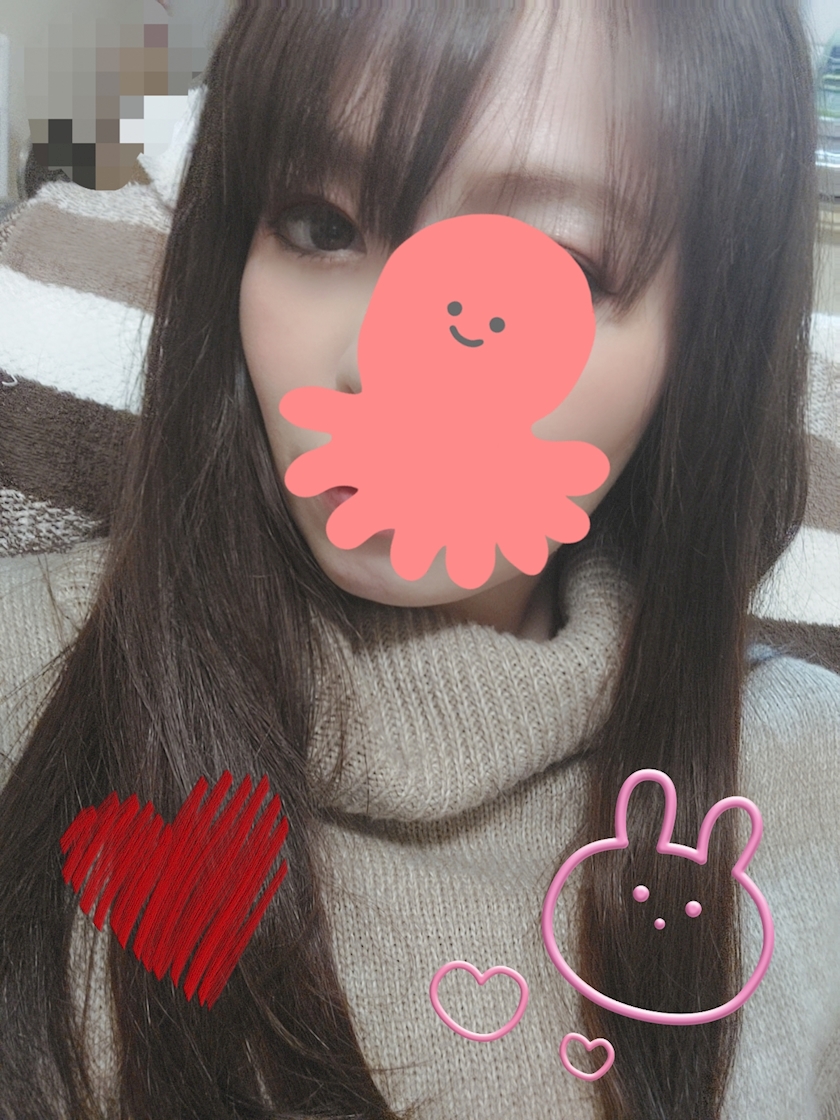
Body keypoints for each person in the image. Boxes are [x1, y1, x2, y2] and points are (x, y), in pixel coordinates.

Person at [0, 3, 838, 1118]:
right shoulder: (25, 666)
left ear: (700, 346)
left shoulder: (810, 777)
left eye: (544, 268)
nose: (384, 364)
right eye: (320, 225)